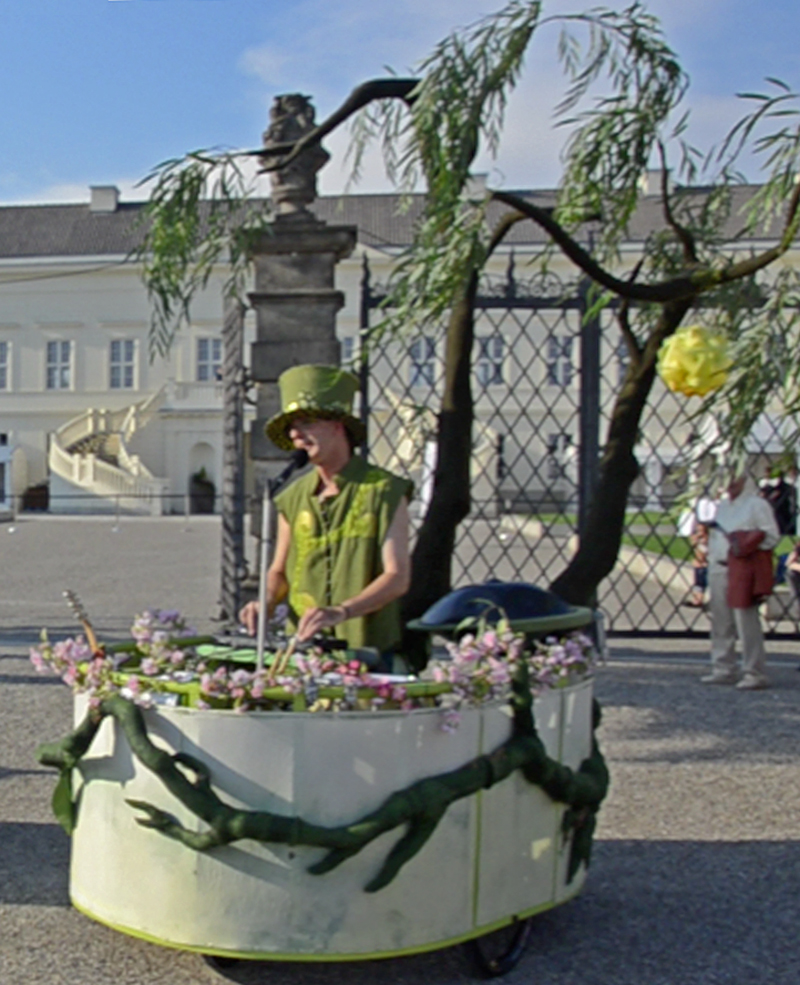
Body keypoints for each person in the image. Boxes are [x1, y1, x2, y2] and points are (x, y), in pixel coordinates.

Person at [239, 364, 413, 661]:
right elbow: (279, 571)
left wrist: (342, 612)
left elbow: (397, 577)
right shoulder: (291, 496)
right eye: (291, 428)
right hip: (304, 652)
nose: (296, 434)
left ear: (338, 426)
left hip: (367, 653)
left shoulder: (384, 490)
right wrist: (265, 602)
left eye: (306, 422)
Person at [702, 473, 779, 690]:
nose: (729, 482)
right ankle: (723, 667)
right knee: (720, 620)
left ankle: (754, 671)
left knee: (746, 621)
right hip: (719, 565)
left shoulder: (757, 505)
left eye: (735, 477)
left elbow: (771, 536)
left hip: (743, 566)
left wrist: (747, 544)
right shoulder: (723, 506)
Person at [683, 522, 709, 608]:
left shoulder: (706, 540)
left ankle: (698, 600)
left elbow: (702, 554)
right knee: (698, 584)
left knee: (701, 583)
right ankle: (697, 599)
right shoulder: (698, 539)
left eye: (700, 530)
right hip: (699, 564)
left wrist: (698, 539)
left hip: (704, 565)